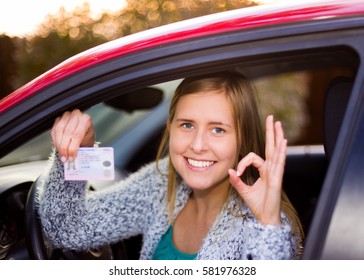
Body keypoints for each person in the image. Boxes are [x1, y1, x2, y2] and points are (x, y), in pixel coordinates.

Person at [38, 71, 304, 260]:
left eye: (218, 130)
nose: (198, 145)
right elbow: (68, 229)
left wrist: (268, 225)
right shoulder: (163, 180)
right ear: (170, 129)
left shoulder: (270, 225)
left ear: (242, 138)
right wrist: (78, 152)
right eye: (187, 125)